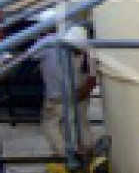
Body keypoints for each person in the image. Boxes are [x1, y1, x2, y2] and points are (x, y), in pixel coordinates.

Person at [39, 24, 97, 156]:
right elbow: (92, 77)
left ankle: (67, 154)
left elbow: (92, 78)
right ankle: (82, 150)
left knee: (52, 125)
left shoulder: (53, 45)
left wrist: (82, 92)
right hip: (75, 92)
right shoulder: (81, 51)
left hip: (65, 94)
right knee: (76, 123)